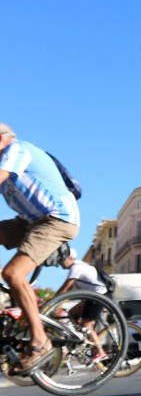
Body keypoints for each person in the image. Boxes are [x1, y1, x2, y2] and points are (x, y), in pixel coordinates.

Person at [0, 124, 80, 374]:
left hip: (57, 219)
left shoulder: (17, 149)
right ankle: (15, 307)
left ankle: (40, 340)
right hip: (31, 221)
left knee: (13, 273)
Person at [55, 248, 109, 364]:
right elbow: (71, 291)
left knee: (87, 325)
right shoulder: (78, 267)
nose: (59, 263)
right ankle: (82, 337)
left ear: (70, 259)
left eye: (61, 260)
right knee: (72, 313)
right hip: (90, 296)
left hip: (98, 295)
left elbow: (65, 288)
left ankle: (100, 352)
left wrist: (52, 302)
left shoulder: (76, 268)